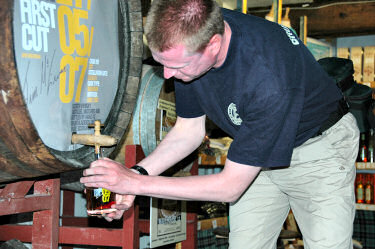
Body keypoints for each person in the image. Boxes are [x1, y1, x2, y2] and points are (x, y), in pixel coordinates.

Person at [80, 0, 360, 248]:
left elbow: (229, 188)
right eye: (161, 62)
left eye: (176, 66)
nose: (167, 75)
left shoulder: (268, 77)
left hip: (319, 149)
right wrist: (137, 174)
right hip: (256, 151)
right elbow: (188, 131)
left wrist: (136, 185)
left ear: (213, 44)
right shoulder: (192, 33)